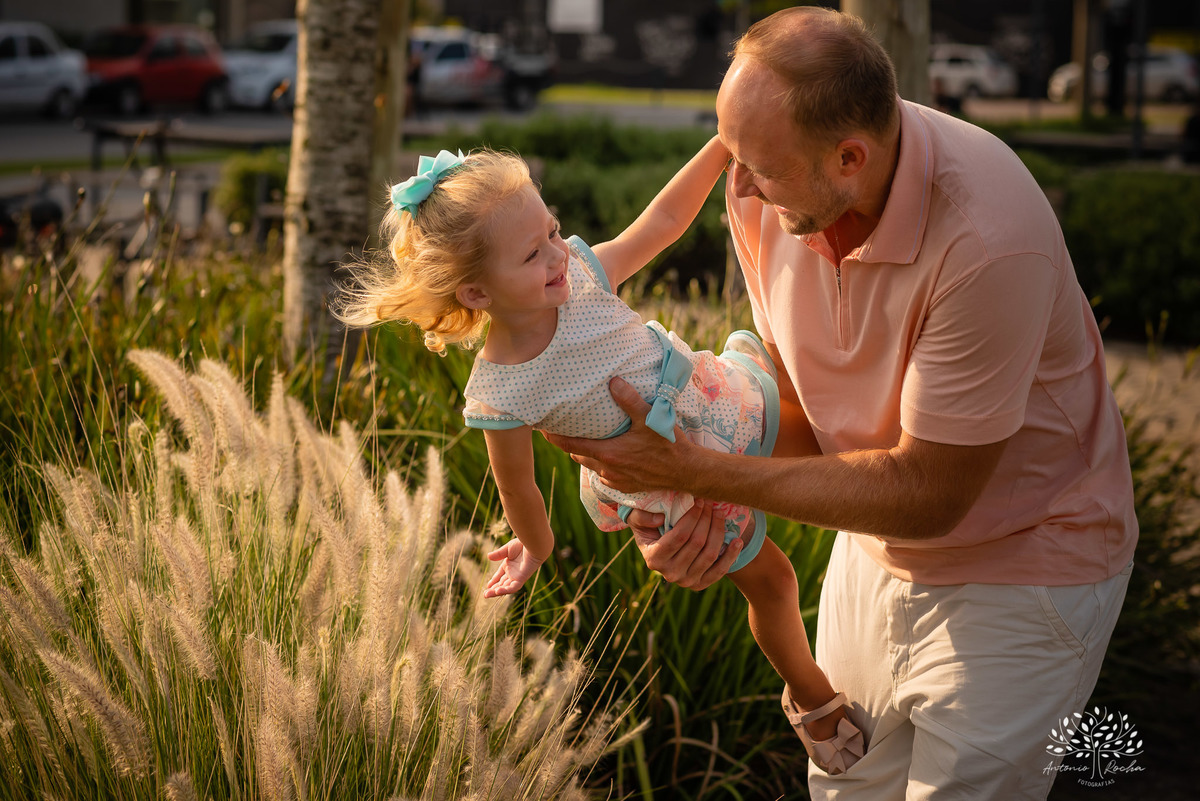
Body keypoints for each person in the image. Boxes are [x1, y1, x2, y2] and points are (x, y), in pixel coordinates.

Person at [546, 7, 1138, 799]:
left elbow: (930, 496)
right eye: (732, 156)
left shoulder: (990, 239)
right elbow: (800, 406)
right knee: (845, 789)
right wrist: (683, 490)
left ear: (849, 158)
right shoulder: (770, 192)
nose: (740, 186)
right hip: (872, 544)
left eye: (757, 164)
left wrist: (700, 470)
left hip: (1026, 566)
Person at [334, 144, 866, 774]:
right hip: (666, 485)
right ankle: (812, 699)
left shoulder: (581, 275)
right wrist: (532, 544)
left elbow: (662, 224)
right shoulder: (499, 391)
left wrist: (721, 148)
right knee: (773, 582)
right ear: (476, 290)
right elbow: (520, 489)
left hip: (710, 401)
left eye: (553, 231)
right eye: (533, 254)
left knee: (833, 447)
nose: (558, 253)